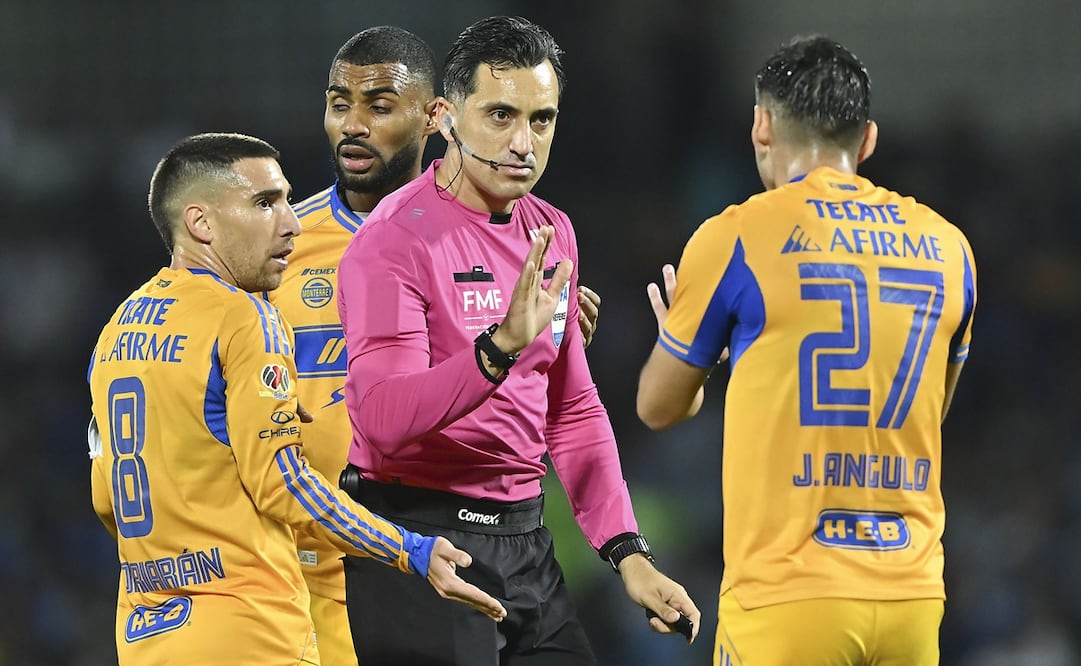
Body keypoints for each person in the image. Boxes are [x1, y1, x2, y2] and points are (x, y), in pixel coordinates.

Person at [335, 15, 701, 665]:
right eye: (500, 115)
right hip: (419, 543)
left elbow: (573, 409)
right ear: (446, 118)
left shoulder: (551, 231)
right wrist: (498, 347)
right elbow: (382, 418)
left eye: (541, 119)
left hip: (526, 546)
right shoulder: (395, 239)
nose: (523, 143)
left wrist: (628, 553)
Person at [87, 132, 506, 665]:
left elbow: (107, 500)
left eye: (287, 200)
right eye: (264, 203)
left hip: (148, 635)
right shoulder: (244, 316)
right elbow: (285, 485)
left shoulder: (115, 331)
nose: (291, 223)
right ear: (201, 223)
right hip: (251, 632)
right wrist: (411, 550)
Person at [636, 36, 977, 665]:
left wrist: (696, 360)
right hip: (913, 595)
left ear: (761, 126)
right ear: (867, 140)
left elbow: (657, 408)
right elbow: (933, 414)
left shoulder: (737, 235)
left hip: (788, 598)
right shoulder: (950, 248)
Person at [271, 26, 602, 664]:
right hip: (301, 579)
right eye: (340, 104)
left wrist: (550, 339)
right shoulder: (277, 247)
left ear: (435, 119)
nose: (354, 125)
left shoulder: (517, 242)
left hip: (436, 549)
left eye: (379, 106)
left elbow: (552, 393)